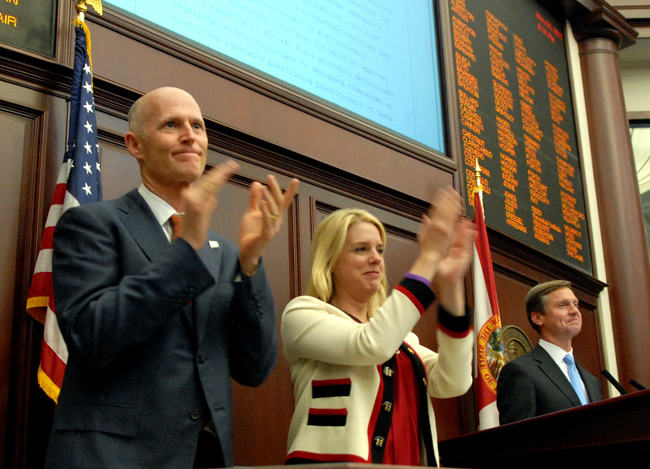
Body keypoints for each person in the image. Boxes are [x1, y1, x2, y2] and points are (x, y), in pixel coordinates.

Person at [45, 87, 299, 469]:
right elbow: (92, 336)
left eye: (197, 125)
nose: (189, 135)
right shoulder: (92, 224)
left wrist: (250, 261)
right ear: (135, 145)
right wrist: (187, 249)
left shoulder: (225, 252)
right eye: (171, 125)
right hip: (112, 458)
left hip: (203, 456)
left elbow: (255, 368)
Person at [281, 189, 476, 466]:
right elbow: (371, 344)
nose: (376, 258)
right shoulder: (303, 313)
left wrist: (452, 285)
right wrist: (430, 254)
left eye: (380, 250)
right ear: (330, 261)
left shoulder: (403, 340)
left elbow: (454, 382)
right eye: (361, 249)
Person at [497, 280, 604, 425]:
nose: (575, 311)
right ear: (538, 318)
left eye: (575, 304)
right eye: (563, 305)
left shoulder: (591, 381)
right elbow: (517, 440)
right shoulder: (521, 371)